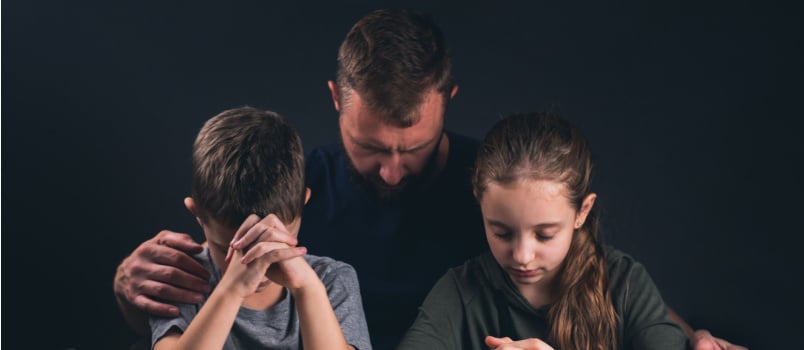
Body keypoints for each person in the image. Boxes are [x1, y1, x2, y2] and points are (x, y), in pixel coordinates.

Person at [113, 9, 744, 350]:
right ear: (336, 99)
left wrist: (692, 339)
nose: (390, 169)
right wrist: (127, 293)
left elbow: (598, 279)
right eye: (368, 148)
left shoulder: (501, 184)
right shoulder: (288, 189)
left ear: (449, 101)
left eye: (413, 148)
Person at [397, 112, 688, 350]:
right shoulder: (460, 293)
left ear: (582, 212)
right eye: (502, 233)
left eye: (545, 234)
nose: (522, 256)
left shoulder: (624, 283)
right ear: (481, 206)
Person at [148, 106, 371, 349]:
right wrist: (231, 290)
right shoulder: (180, 279)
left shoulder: (330, 281)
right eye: (231, 250)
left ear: (303, 203)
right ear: (197, 215)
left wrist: (308, 289)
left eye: (276, 244)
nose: (258, 269)